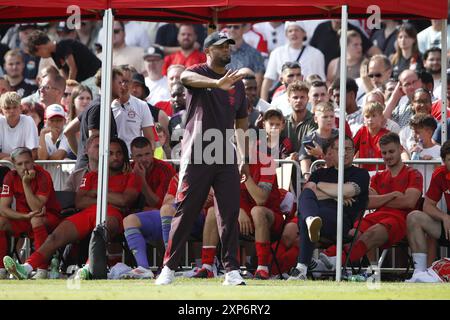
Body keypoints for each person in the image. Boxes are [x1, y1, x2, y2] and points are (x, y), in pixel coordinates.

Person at [155, 31, 249, 286]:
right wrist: (217, 84)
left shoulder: (237, 82)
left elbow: (241, 122)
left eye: (229, 46)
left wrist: (243, 155)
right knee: (186, 210)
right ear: (208, 51)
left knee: (229, 212)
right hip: (197, 151)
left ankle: (231, 270)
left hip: (224, 152)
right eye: (221, 47)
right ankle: (168, 268)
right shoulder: (198, 71)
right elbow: (185, 76)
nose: (227, 50)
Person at [3, 138, 141, 280]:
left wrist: (96, 192)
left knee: (101, 234)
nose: (115, 157)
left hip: (113, 215)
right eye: (111, 153)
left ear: (124, 155)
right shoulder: (91, 176)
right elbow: (80, 201)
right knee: (54, 238)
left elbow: (125, 200)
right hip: (87, 213)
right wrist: (111, 198)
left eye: (119, 153)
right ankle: (27, 268)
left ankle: (88, 268)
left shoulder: (132, 177)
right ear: (104, 155)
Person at [318, 132, 423, 271]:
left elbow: (409, 202)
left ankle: (334, 262)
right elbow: (366, 202)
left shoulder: (413, 174)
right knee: (352, 233)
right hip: (376, 217)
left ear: (401, 149)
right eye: (384, 153)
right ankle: (327, 259)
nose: (387, 156)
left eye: (391, 151)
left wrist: (380, 199)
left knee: (371, 233)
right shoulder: (377, 177)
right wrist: (392, 196)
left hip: (400, 220)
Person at [287, 135, 370, 280]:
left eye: (348, 149)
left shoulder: (361, 174)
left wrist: (319, 187)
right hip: (318, 219)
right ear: (333, 152)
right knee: (307, 199)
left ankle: (301, 268)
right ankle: (311, 220)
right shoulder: (319, 173)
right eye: (340, 149)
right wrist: (337, 195)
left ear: (354, 152)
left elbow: (348, 191)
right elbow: (308, 191)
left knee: (307, 214)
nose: (344, 152)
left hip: (339, 223)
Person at [194, 152, 283, 280]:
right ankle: (207, 266)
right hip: (239, 216)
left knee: (257, 211)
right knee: (213, 211)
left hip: (269, 217)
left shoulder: (266, 160)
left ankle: (262, 268)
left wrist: (245, 175)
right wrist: (239, 210)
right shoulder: (225, 159)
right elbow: (218, 194)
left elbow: (261, 199)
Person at [0, 147, 62, 279]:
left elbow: (37, 209)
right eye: (19, 164)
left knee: (36, 219)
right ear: (14, 165)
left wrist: (25, 184)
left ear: (33, 161)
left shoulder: (43, 175)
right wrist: (23, 216)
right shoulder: (10, 176)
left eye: (27, 162)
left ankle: (42, 269)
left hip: (50, 219)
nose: (24, 167)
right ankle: (1, 269)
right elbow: (3, 209)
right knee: (1, 221)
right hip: (25, 219)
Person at [406, 140, 450, 282]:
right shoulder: (440, 174)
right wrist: (444, 216)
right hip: (448, 226)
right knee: (414, 217)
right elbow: (428, 206)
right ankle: (420, 274)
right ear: (443, 161)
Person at [64, 68, 120, 170]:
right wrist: (83, 157)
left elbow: (68, 131)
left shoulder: (96, 105)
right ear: (109, 83)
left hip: (87, 169)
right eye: (119, 82)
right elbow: (95, 145)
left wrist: (81, 155)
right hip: (93, 173)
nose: (123, 86)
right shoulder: (98, 107)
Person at [261, 21, 325, 101]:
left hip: (309, 98)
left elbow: (321, 80)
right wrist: (264, 106)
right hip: (283, 97)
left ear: (304, 33)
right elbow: (268, 81)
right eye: (290, 31)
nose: (293, 33)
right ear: (286, 34)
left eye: (297, 30)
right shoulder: (277, 53)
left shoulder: (317, 54)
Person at [27, 30, 101, 84]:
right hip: (84, 81)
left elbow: (73, 68)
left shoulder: (63, 45)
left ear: (39, 47)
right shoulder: (54, 55)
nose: (42, 57)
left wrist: (69, 86)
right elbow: (63, 73)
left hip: (96, 75)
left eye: (40, 55)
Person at [111, 65, 155, 153]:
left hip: (134, 160)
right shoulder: (105, 105)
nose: (123, 85)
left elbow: (150, 140)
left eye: (126, 81)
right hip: (111, 159)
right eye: (120, 82)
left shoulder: (142, 106)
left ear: (132, 83)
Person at [130, 137, 175, 210]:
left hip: (161, 213)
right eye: (139, 156)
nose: (144, 159)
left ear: (153, 153)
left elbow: (160, 206)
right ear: (132, 157)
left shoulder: (166, 169)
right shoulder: (128, 170)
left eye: (147, 154)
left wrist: (141, 180)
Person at [299, 101, 338, 181]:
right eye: (325, 117)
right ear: (316, 119)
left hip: (338, 177)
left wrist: (321, 154)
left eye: (332, 116)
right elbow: (305, 163)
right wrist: (308, 180)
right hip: (316, 179)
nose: (329, 119)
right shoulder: (309, 138)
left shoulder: (340, 136)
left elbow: (343, 161)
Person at [226, 24, 265, 93]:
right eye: (229, 27)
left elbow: (258, 81)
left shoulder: (254, 53)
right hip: (224, 95)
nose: (232, 29)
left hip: (246, 97)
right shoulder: (221, 53)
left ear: (244, 29)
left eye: (236, 27)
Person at [0, 91, 38, 160]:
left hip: (23, 168)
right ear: (1, 110)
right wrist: (18, 158)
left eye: (15, 107)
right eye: (7, 108)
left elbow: (33, 153)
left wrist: (9, 159)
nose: (11, 111)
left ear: (21, 108)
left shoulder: (28, 121)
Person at [353, 102, 390, 171]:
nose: (370, 119)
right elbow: (350, 149)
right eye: (367, 116)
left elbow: (400, 151)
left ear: (381, 117)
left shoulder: (387, 134)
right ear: (363, 118)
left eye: (374, 115)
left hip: (381, 174)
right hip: (363, 174)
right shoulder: (361, 131)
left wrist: (406, 161)